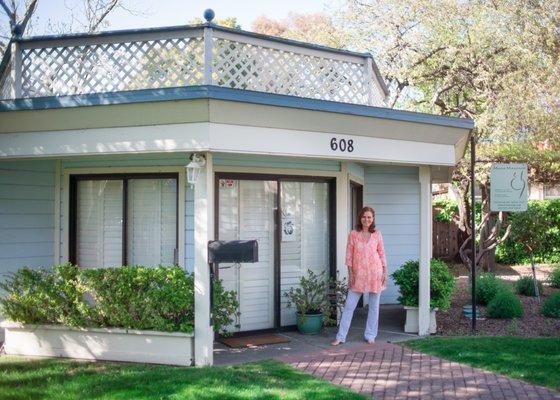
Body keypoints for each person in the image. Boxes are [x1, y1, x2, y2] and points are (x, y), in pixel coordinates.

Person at [331, 206, 387, 345]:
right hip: (358, 275)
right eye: (364, 217)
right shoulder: (353, 234)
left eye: (369, 217)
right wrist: (351, 275)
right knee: (349, 306)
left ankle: (370, 335)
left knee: (374, 307)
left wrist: (385, 271)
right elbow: (349, 256)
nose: (366, 219)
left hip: (375, 273)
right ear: (360, 218)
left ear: (373, 219)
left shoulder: (377, 234)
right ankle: (340, 336)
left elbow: (382, 253)